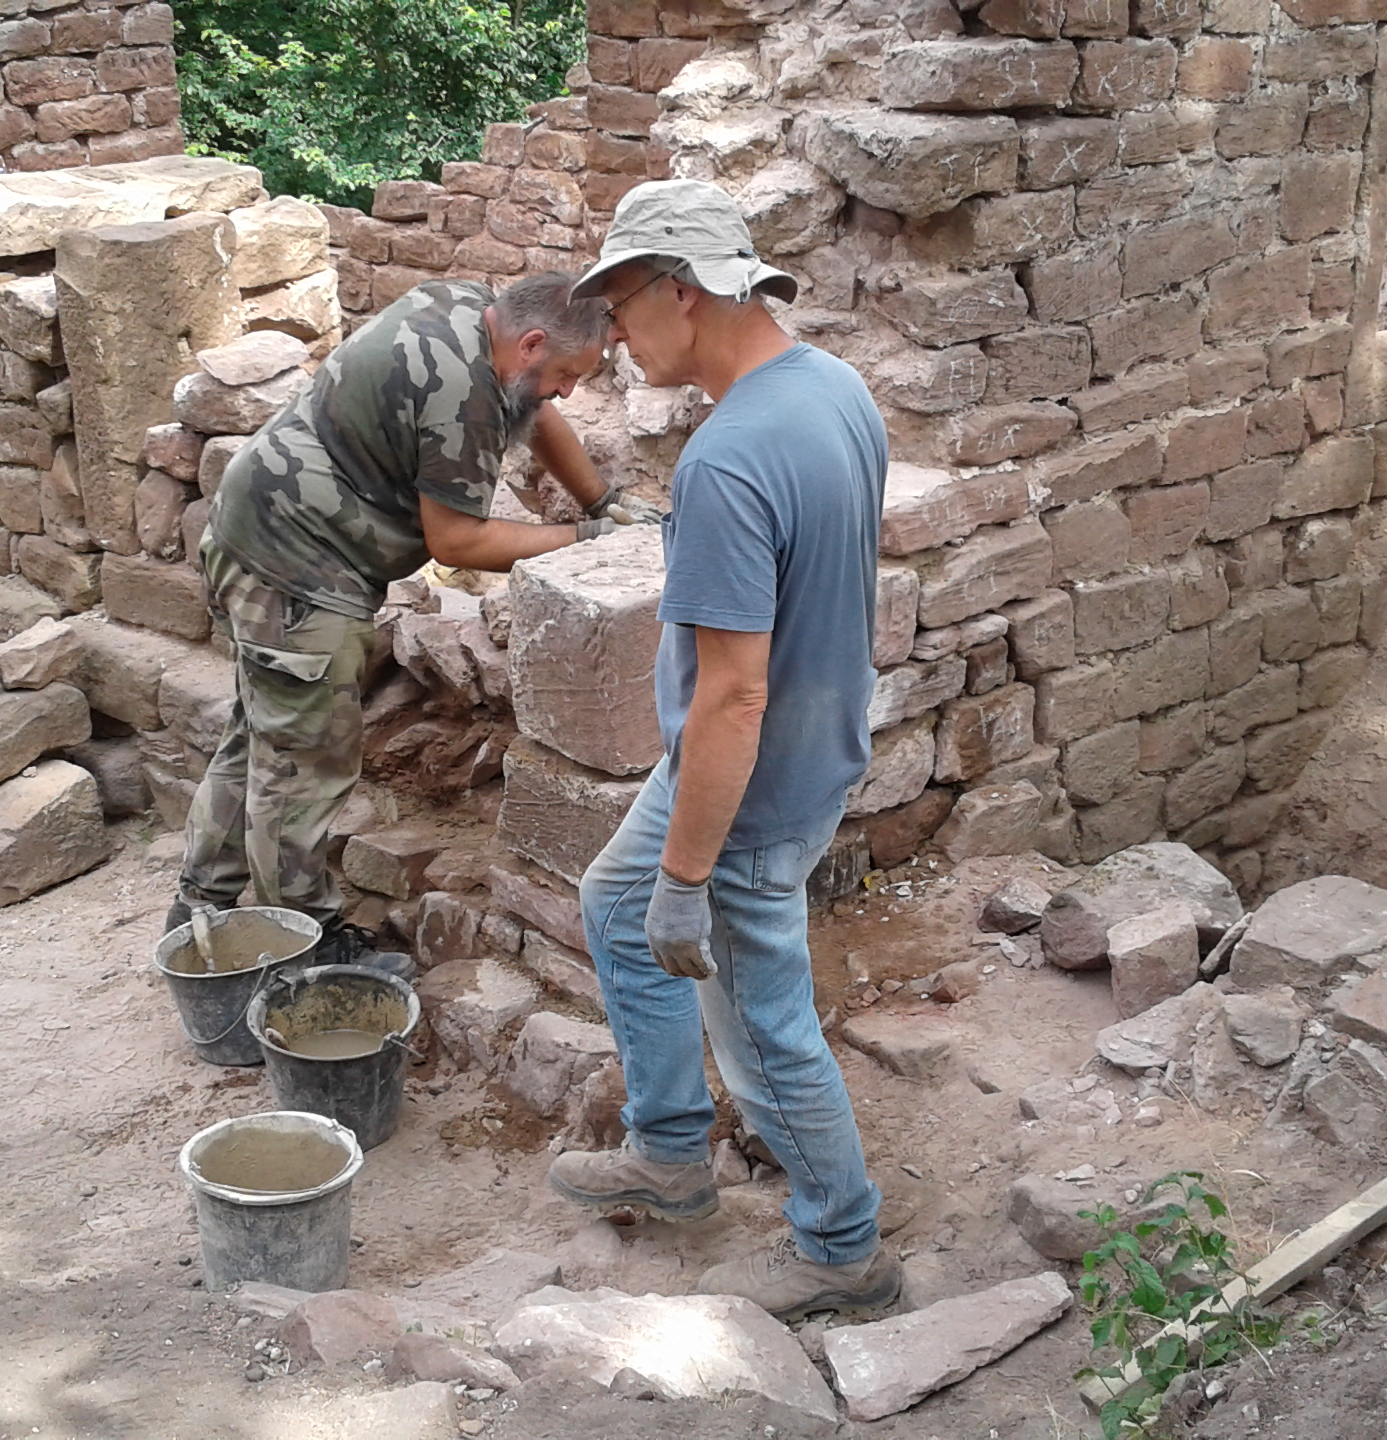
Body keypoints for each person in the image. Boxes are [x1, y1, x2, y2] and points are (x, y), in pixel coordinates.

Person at [544, 180, 899, 1320]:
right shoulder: (833, 388)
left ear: (682, 291)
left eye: (619, 307)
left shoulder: (727, 461)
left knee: (759, 1029)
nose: (611, 337)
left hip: (749, 780)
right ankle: (669, 1153)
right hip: (799, 741)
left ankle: (841, 1247)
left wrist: (691, 876)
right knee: (614, 901)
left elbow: (733, 696)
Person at [175, 271, 634, 972]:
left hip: (261, 526)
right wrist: (587, 539)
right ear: (532, 342)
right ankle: (300, 956)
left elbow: (536, 410)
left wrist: (602, 500)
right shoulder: (461, 396)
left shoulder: (474, 311)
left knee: (267, 736)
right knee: (305, 761)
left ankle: (202, 908)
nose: (569, 391)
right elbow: (458, 541)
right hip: (296, 564)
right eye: (568, 374)